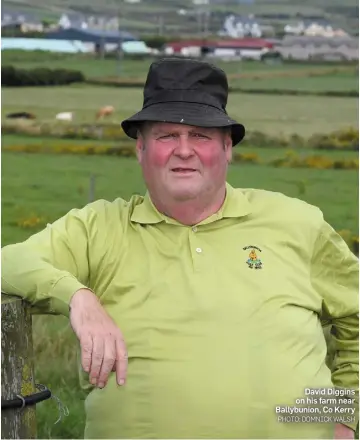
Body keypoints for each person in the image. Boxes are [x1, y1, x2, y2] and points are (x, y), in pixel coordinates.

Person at [1, 58, 358, 439]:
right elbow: (8, 261)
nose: (183, 150)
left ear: (227, 148)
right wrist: (78, 297)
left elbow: (355, 317)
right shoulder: (100, 227)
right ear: (140, 148)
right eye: (167, 135)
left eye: (201, 136)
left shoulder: (296, 222)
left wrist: (343, 418)